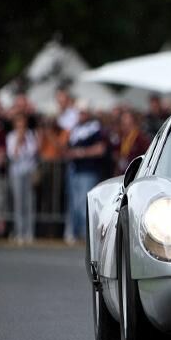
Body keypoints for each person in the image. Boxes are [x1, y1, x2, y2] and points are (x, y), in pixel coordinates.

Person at [64, 101, 106, 244]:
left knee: (84, 205)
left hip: (88, 170)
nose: (80, 115)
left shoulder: (95, 128)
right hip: (75, 170)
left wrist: (82, 153)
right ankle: (76, 233)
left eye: (83, 112)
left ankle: (86, 235)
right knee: (74, 204)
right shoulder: (75, 129)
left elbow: (100, 148)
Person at [6, 114, 38, 244]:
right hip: (16, 172)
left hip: (29, 171)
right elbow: (12, 155)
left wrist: (25, 140)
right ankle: (19, 232)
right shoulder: (11, 136)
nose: (21, 127)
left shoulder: (31, 135)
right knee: (19, 203)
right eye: (19, 124)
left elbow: (33, 152)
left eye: (23, 124)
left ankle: (29, 232)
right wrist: (19, 141)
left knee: (30, 202)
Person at [114, 110, 150, 176]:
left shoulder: (141, 138)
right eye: (123, 124)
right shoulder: (120, 137)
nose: (125, 127)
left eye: (128, 124)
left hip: (136, 174)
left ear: (134, 122)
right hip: (122, 173)